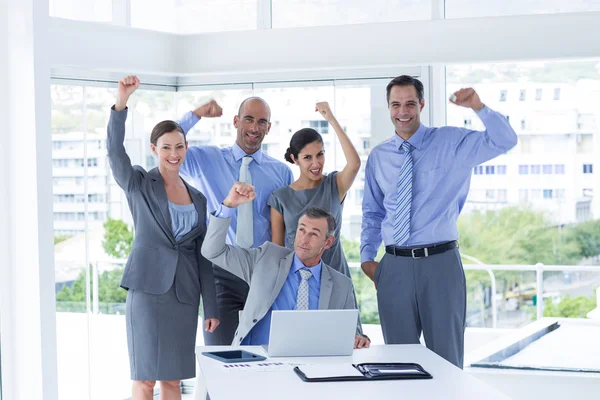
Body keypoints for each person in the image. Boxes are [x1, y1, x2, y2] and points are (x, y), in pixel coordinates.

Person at [360, 75, 518, 369]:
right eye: (396, 104)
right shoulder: (379, 156)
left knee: (446, 361)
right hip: (394, 266)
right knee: (399, 362)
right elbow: (372, 212)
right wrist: (367, 258)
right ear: (389, 107)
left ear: (421, 104)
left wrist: (478, 107)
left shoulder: (452, 142)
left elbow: (504, 140)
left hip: (440, 264)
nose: (403, 111)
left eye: (410, 103)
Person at [107, 76, 219, 400]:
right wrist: (121, 102)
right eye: (166, 147)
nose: (174, 153)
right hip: (147, 291)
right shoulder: (139, 183)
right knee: (145, 380)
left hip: (184, 296)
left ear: (186, 148)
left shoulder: (198, 198)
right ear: (155, 149)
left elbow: (203, 256)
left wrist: (210, 305)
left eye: (180, 146)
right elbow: (115, 152)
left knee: (173, 382)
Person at [177, 98, 294, 346]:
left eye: (262, 121)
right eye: (249, 119)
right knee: (220, 356)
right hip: (221, 270)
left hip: (263, 271)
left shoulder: (281, 172)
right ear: (236, 121)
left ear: (269, 128)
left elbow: (282, 228)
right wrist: (196, 114)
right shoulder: (207, 160)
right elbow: (165, 145)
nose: (254, 127)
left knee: (267, 357)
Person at [202, 182, 370, 348]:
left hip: (311, 363)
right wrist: (228, 205)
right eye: (302, 230)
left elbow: (353, 332)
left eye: (314, 234)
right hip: (256, 359)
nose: (304, 239)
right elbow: (213, 252)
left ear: (328, 242)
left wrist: (359, 338)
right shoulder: (265, 258)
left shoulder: (342, 284)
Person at [269, 101, 361, 280]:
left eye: (320, 154)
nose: (316, 163)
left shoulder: (335, 185)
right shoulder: (279, 198)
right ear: (294, 159)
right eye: (307, 157)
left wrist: (331, 119)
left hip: (336, 279)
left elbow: (355, 164)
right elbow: (278, 252)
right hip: (296, 282)